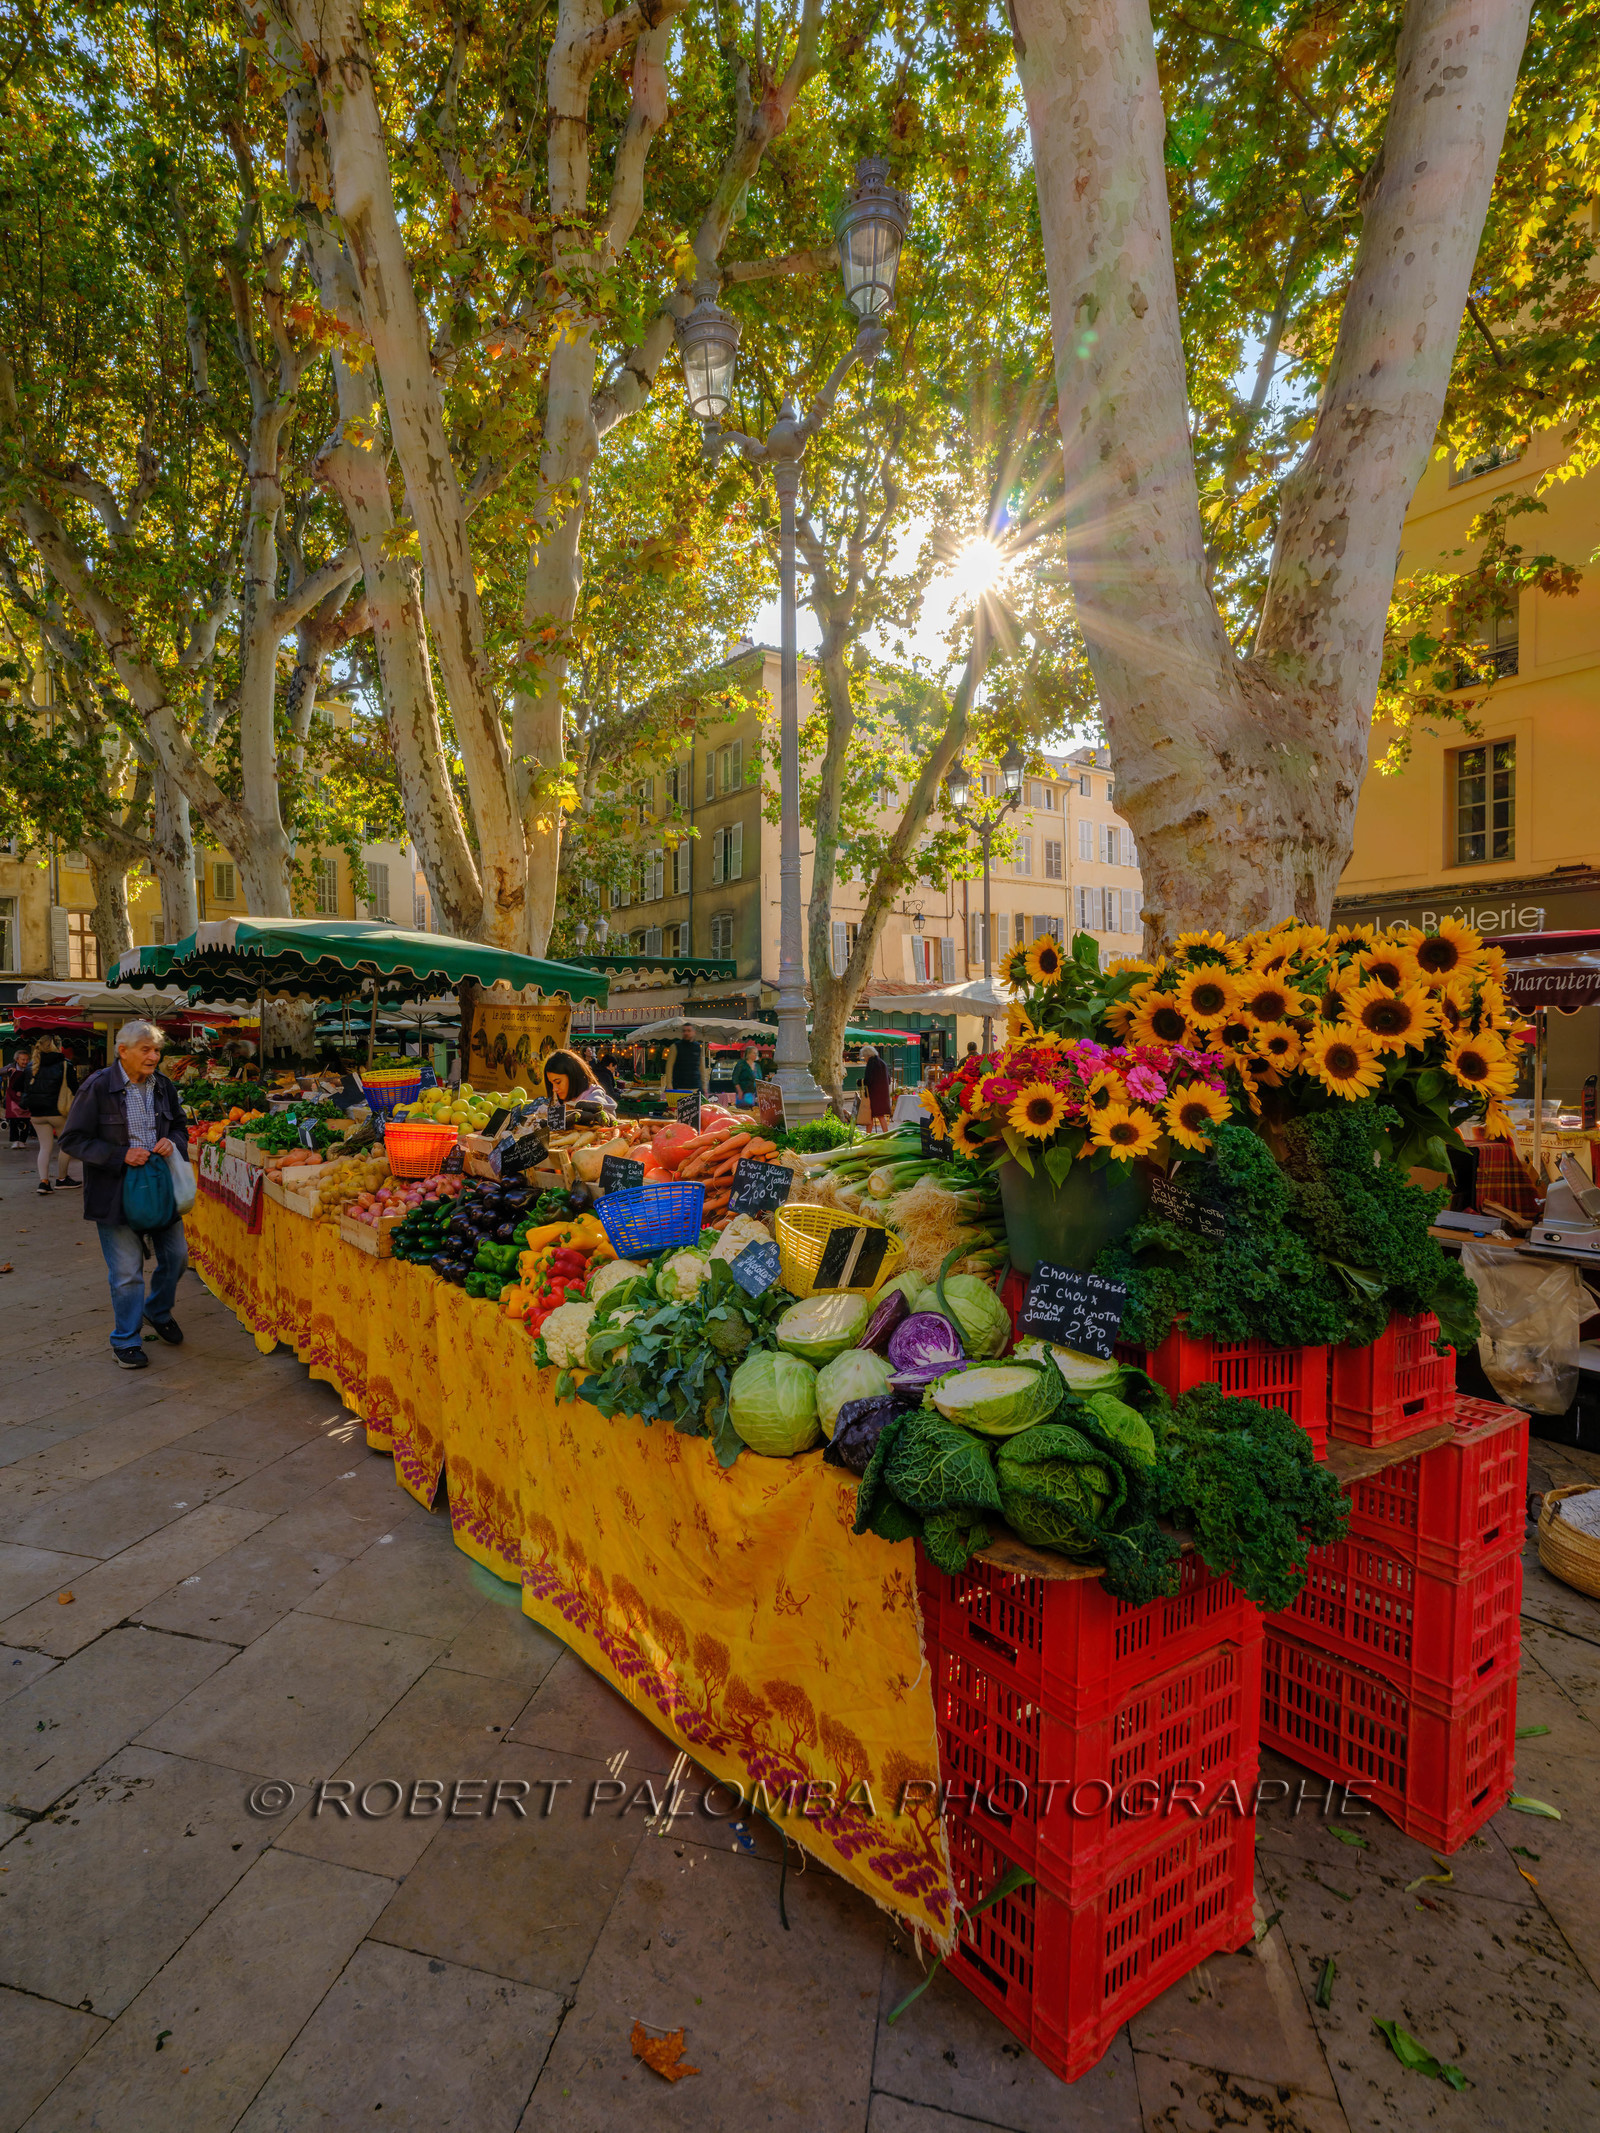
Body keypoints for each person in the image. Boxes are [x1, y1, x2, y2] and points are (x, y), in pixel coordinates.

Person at [59, 1019, 190, 1369]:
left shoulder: (163, 1086)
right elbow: (71, 1139)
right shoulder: (98, 1086)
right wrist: (120, 1155)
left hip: (160, 1187)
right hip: (115, 1193)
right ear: (123, 1051)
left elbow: (180, 1126)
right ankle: (126, 1340)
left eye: (157, 1050)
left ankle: (157, 1310)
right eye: (146, 1050)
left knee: (177, 1256)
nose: (154, 1057)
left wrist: (171, 1141)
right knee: (127, 1272)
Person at [23, 1035, 80, 1195]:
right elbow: (75, 1088)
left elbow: (24, 1089)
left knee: (45, 1148)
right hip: (59, 1112)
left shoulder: (31, 1066)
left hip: (37, 1114)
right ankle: (62, 1179)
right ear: (57, 1047)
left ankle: (44, 1182)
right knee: (66, 1145)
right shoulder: (65, 1064)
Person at [542, 1048, 614, 1111]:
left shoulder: (594, 1100)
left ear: (573, 1076)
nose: (554, 1089)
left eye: (558, 1082)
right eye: (551, 1084)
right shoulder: (561, 1102)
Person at [662, 1022, 707, 1098]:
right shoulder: (675, 1047)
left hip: (696, 1087)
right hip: (679, 1087)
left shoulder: (698, 1047)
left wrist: (704, 1085)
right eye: (684, 1031)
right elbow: (669, 1066)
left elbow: (702, 1067)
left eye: (689, 1031)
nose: (686, 1033)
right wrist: (669, 1084)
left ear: (694, 1032)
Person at [5, 1046, 34, 1147]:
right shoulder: (11, 1066)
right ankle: (14, 1140)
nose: (25, 1062)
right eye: (23, 1059)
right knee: (13, 1119)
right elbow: (1, 1071)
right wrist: (8, 1070)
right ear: (17, 1059)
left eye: (27, 1059)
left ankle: (22, 1140)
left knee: (26, 1118)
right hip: (12, 1097)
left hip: (25, 1096)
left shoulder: (31, 1068)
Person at [862, 1043, 892, 1134]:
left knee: (870, 1115)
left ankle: (868, 1135)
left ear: (868, 1055)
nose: (864, 1059)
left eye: (864, 1057)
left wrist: (860, 1082)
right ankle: (886, 1134)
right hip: (883, 1094)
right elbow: (889, 1080)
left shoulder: (871, 1063)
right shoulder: (882, 1062)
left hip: (874, 1094)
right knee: (880, 1115)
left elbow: (868, 1080)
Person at [731, 1043, 758, 1109]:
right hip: (743, 1094)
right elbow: (735, 1078)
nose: (756, 1055)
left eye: (756, 1053)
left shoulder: (757, 1065)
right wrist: (739, 1091)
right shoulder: (741, 1064)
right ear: (748, 1054)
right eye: (754, 1053)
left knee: (754, 1111)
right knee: (743, 1111)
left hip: (754, 1094)